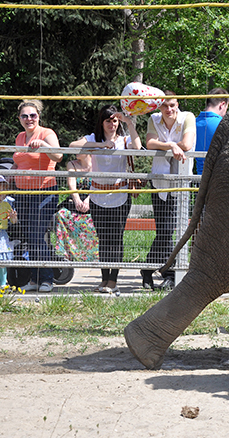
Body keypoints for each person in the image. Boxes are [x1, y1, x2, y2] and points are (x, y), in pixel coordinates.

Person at [69, 105, 142, 295]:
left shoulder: (123, 139)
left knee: (116, 238)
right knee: (103, 238)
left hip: (120, 195)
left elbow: (137, 146)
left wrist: (128, 122)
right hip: (97, 195)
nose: (112, 124)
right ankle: (103, 279)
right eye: (108, 120)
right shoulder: (93, 139)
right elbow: (72, 147)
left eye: (115, 120)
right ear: (102, 122)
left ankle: (113, 280)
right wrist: (100, 146)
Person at [141, 91, 196, 290]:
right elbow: (149, 143)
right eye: (165, 106)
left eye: (172, 105)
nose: (169, 109)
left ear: (177, 104)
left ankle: (154, 270)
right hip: (160, 183)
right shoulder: (153, 119)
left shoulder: (187, 117)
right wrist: (172, 145)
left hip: (181, 183)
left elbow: (188, 144)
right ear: (159, 107)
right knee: (164, 230)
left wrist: (167, 146)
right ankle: (167, 273)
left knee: (172, 230)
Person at [13, 100, 63, 293]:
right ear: (19, 119)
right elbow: (18, 162)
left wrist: (42, 145)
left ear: (38, 116)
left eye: (32, 115)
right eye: (24, 116)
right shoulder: (19, 137)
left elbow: (59, 156)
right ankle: (34, 278)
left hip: (44, 191)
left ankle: (47, 279)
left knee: (37, 235)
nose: (29, 119)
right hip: (22, 192)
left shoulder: (47, 133)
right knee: (29, 236)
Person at [0, 175, 18, 288]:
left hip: (1, 235)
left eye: (3, 190)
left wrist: (13, 217)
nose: (0, 193)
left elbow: (14, 221)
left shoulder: (7, 204)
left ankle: (3, 284)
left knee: (2, 261)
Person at [195, 88, 229, 175]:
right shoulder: (223, 124)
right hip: (218, 177)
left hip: (199, 178)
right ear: (222, 105)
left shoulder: (192, 123)